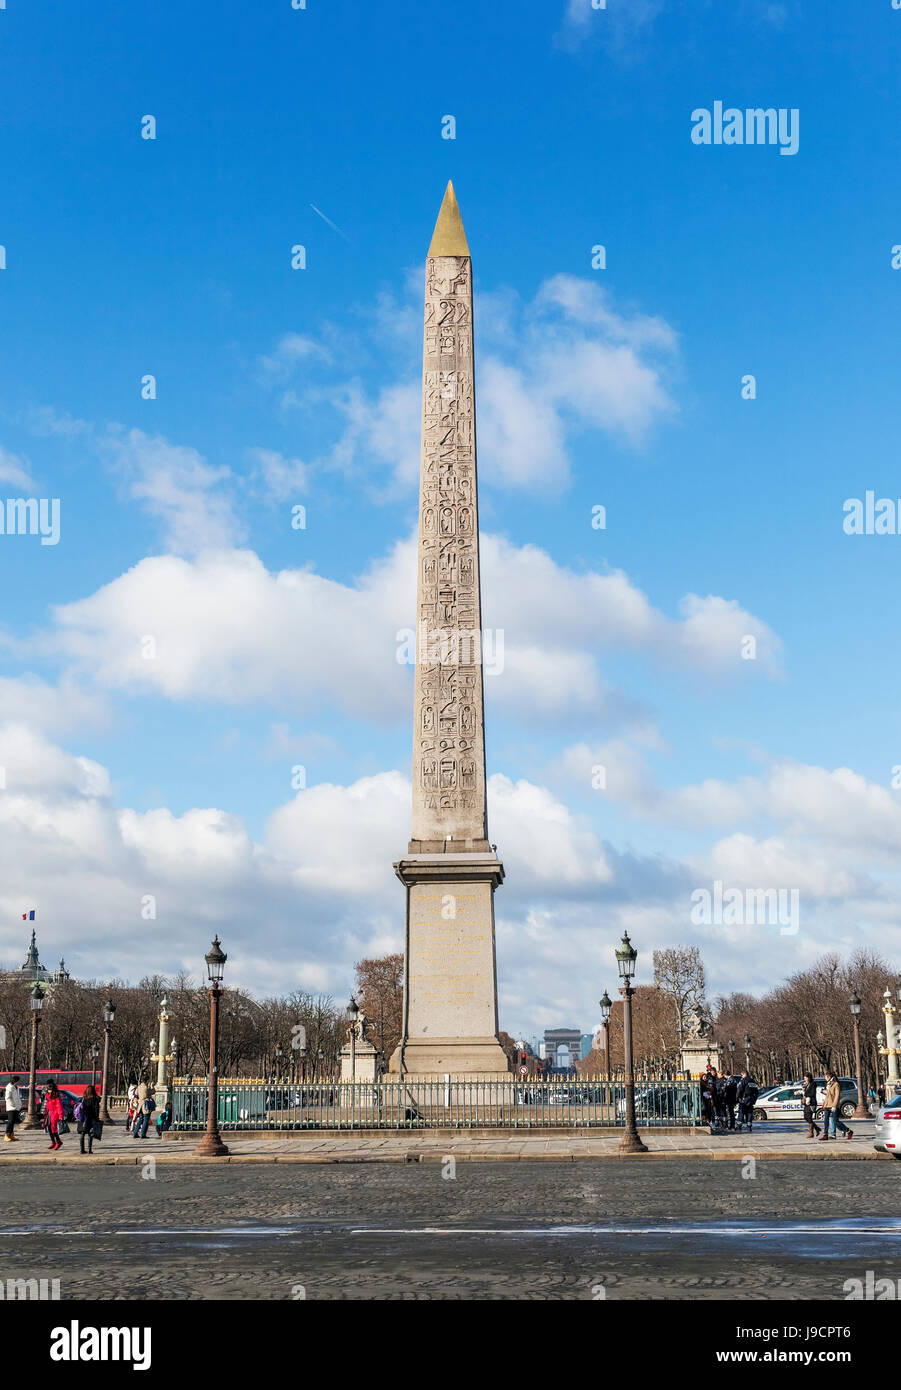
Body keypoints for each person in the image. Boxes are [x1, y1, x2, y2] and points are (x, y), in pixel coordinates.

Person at [819, 1070, 853, 1141]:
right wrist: (822, 1091)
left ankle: (848, 1131)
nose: (825, 1078)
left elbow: (837, 1095)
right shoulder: (828, 1084)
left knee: (835, 1121)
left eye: (826, 1076)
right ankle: (825, 1135)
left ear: (829, 1077)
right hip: (827, 1104)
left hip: (833, 1105)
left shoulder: (836, 1084)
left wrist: (834, 1105)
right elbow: (829, 1094)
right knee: (826, 1120)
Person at [77, 1084, 101, 1155]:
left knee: (82, 1133)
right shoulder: (95, 1099)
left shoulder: (83, 1099)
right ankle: (90, 1150)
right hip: (91, 1118)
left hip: (82, 1118)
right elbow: (96, 1109)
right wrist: (96, 1118)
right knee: (90, 1134)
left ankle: (82, 1150)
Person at [43, 1080, 65, 1151]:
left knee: (54, 1129)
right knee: (49, 1128)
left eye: (50, 1090)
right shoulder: (47, 1095)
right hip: (49, 1113)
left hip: (54, 1114)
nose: (49, 1091)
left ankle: (58, 1142)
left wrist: (60, 1115)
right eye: (48, 1089)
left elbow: (59, 1106)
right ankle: (53, 1142)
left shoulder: (56, 1096)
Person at [4, 1075, 23, 1142]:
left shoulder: (16, 1087)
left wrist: (19, 1104)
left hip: (16, 1107)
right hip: (11, 1107)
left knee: (13, 1122)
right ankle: (7, 1135)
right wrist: (13, 1105)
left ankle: (11, 1135)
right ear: (16, 1081)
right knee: (10, 1121)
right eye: (19, 1081)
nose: (19, 1082)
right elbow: (7, 1098)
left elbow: (17, 1097)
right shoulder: (9, 1087)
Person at [802, 1072, 821, 1139]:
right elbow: (804, 1093)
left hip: (812, 1103)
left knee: (809, 1117)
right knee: (805, 1116)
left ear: (809, 1078)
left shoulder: (813, 1084)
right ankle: (816, 1128)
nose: (805, 1079)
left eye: (806, 1077)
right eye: (804, 1077)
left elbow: (812, 1093)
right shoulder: (805, 1084)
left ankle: (811, 1133)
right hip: (806, 1103)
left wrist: (805, 1093)